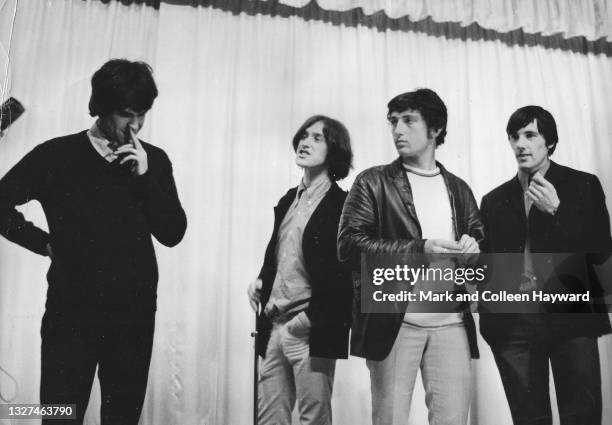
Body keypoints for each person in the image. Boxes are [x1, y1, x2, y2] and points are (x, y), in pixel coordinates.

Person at [0, 59, 187, 424]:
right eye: (125, 114)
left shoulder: (155, 161)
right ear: (100, 108)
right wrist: (44, 243)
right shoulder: (56, 155)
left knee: (122, 417)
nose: (134, 125)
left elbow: (173, 233)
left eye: (143, 114)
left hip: (133, 314)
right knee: (60, 414)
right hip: (71, 312)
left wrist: (145, 179)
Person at [338, 88, 482, 425]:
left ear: (435, 130)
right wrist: (420, 250)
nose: (398, 130)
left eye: (408, 121)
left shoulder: (459, 188)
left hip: (452, 324)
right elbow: (349, 247)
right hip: (394, 323)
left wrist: (474, 250)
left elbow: (480, 245)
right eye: (393, 122)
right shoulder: (373, 182)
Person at [479, 105, 612, 425]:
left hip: (570, 315)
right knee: (528, 418)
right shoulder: (494, 200)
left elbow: (601, 253)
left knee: (581, 413)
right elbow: (487, 266)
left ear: (549, 142)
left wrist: (558, 211)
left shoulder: (583, 185)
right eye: (514, 137)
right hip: (514, 324)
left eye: (530, 135)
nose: (521, 144)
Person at [247, 115, 353, 425]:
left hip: (311, 330)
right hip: (273, 326)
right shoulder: (287, 201)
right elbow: (280, 255)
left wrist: (302, 323)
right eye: (304, 135)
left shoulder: (343, 205)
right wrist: (261, 281)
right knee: (268, 421)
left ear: (334, 150)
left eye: (318, 138)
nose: (305, 142)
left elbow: (344, 279)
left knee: (314, 419)